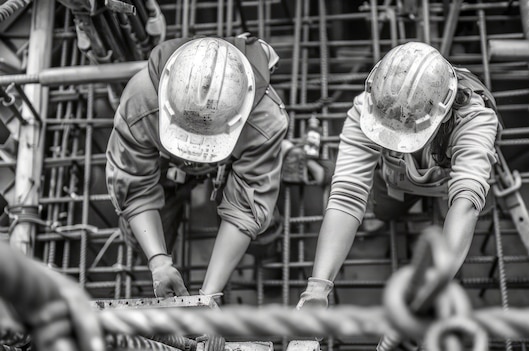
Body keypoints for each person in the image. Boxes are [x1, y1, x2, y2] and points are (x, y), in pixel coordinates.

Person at [296, 42, 500, 309]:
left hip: (448, 185)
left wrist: (429, 293)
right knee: (385, 211)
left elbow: (465, 203)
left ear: (443, 113)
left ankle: (437, 217)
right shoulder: (370, 108)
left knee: (456, 220)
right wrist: (317, 287)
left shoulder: (475, 121)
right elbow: (347, 194)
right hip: (396, 181)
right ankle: (393, 215)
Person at [106, 35, 288, 299]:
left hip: (233, 164)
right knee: (138, 239)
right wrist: (159, 261)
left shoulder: (265, 121)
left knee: (263, 231)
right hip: (166, 167)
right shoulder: (142, 100)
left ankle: (263, 262)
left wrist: (209, 296)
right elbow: (133, 187)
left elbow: (244, 209)